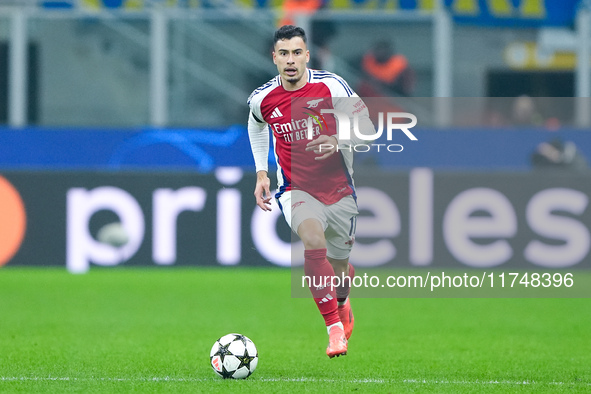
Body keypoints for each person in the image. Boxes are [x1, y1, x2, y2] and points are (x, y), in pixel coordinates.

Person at [246, 25, 375, 358]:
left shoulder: (332, 86)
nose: (291, 60)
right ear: (274, 58)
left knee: (340, 269)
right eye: (284, 54)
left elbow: (367, 129)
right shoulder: (262, 98)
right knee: (312, 240)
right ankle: (333, 330)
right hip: (295, 189)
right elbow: (256, 123)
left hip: (339, 190)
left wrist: (337, 140)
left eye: (297, 53)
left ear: (307, 55)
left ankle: (343, 303)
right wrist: (262, 171)